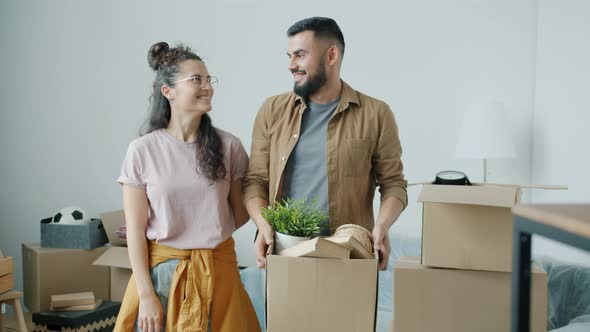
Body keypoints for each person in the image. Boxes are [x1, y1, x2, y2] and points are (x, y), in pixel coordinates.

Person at [114, 42, 260, 332]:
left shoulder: (229, 146)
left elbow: (240, 214)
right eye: (197, 80)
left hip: (219, 274)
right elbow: (135, 231)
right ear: (167, 91)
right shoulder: (142, 150)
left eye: (209, 79)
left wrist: (207, 231)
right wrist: (146, 295)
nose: (207, 86)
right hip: (162, 278)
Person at [243, 17, 408, 271]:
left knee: (350, 314)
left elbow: (394, 185)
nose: (291, 65)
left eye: (300, 55)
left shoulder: (376, 114)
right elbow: (255, 182)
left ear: (331, 55)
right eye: (289, 56)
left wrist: (382, 227)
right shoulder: (272, 110)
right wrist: (263, 226)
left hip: (350, 255)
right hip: (285, 251)